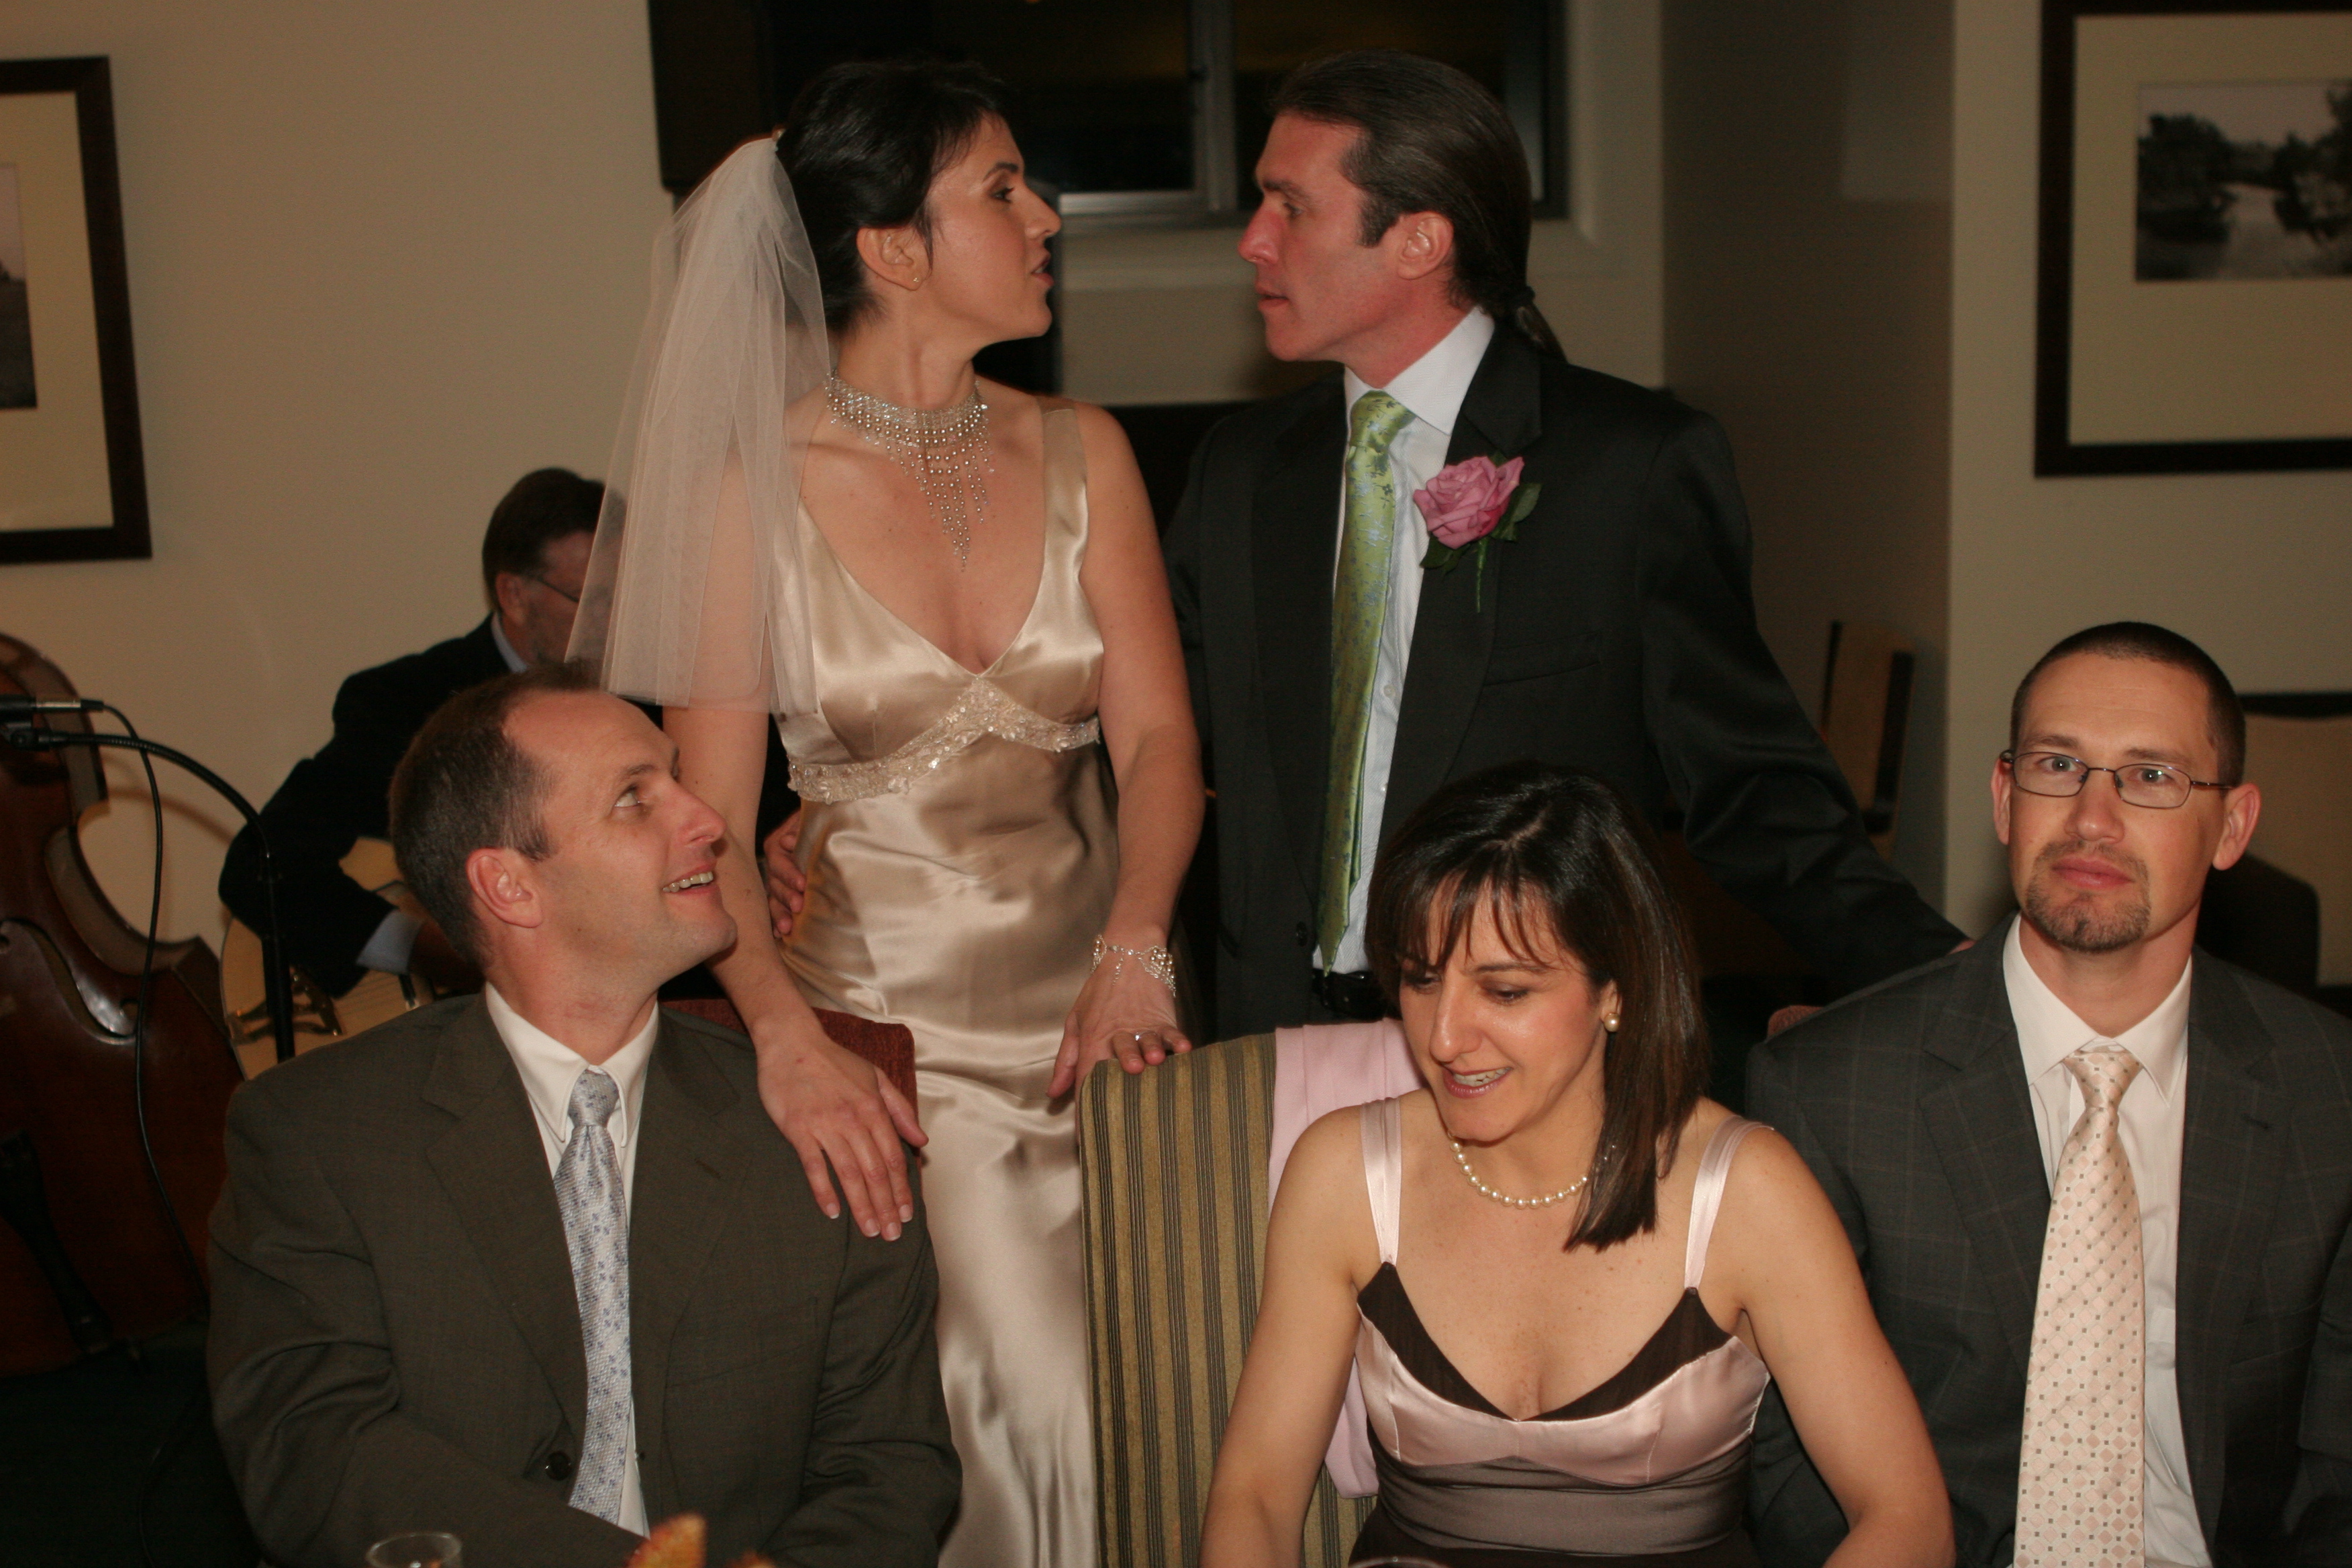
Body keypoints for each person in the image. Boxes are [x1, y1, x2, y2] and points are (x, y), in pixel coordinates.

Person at [567, 60, 1204, 1568]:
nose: (1047, 218)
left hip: (1113, 1023)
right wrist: (787, 1042)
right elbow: (706, 823)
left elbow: (1162, 740)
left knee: (1165, 1402)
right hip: (892, 1055)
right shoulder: (748, 491)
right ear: (891, 247)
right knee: (994, 1418)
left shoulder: (1087, 450)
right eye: (1003, 188)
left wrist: (1138, 945)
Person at [1163, 50, 1961, 1039]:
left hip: (1530, 1056)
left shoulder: (1627, 467)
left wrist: (1946, 980)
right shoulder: (1242, 471)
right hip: (1275, 1049)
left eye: (1291, 207)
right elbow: (1152, 737)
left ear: (1419, 241)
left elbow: (1748, 784)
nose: (1253, 240)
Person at [207, 664, 959, 1568]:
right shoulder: (320, 1133)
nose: (709, 819)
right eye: (636, 799)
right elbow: (314, 1448)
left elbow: (887, 1466)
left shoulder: (821, 1122)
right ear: (509, 886)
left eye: (678, 778)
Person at [1202, 761, 1952, 1568]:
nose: (1444, 1036)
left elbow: (1907, 1516)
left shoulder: (1746, 1192)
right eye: (1421, 979)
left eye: (1505, 991)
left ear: (1615, 989)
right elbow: (1257, 1496)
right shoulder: (1346, 1173)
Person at [1747, 622, 2352, 1567]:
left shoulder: (2329, 1092)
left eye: (2151, 776)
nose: (2093, 818)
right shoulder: (1832, 1091)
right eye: (2058, 765)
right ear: (2005, 797)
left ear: (2232, 827)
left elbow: (2337, 1467)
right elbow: (1791, 1479)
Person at [218, 467, 604, 996]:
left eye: (625, 597)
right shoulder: (406, 703)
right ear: (514, 595)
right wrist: (418, 948)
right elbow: (261, 866)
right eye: (590, 599)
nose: (613, 621)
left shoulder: (658, 706)